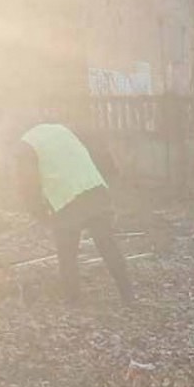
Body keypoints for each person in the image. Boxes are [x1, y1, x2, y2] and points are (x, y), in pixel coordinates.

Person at [16, 120, 134, 306]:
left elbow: (27, 183)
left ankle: (73, 302)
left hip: (66, 198)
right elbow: (95, 152)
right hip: (94, 188)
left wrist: (37, 213)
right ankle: (127, 294)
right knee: (107, 244)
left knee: (67, 254)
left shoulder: (26, 144)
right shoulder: (61, 129)